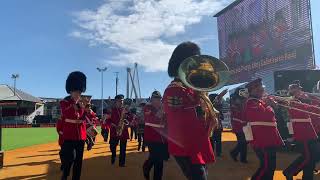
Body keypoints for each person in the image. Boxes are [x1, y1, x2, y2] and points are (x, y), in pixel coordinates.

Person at [163, 41, 215, 180]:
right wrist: (200, 107)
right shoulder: (174, 89)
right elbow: (177, 120)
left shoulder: (191, 89)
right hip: (185, 145)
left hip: (197, 142)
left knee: (203, 174)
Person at [243, 78, 284, 180]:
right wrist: (268, 104)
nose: (261, 90)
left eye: (261, 88)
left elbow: (273, 117)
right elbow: (261, 116)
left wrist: (272, 105)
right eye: (258, 88)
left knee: (270, 167)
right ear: (252, 91)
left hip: (270, 138)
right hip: (262, 139)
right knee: (266, 167)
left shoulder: (261, 102)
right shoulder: (251, 102)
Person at [283, 81, 318, 180]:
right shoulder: (293, 101)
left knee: (312, 156)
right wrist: (307, 100)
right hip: (305, 131)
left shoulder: (304, 99)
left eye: (299, 89)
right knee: (308, 156)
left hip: (311, 130)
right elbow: (310, 109)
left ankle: (306, 177)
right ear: (292, 91)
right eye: (297, 90)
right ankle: (290, 171)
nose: (300, 91)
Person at [59, 71, 87, 180]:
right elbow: (67, 114)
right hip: (69, 134)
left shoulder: (83, 102)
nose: (78, 94)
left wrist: (85, 109)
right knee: (69, 159)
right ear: (70, 91)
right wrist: (75, 105)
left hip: (81, 135)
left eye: (79, 91)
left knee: (78, 161)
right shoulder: (64, 102)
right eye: (76, 91)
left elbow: (84, 118)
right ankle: (65, 174)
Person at [143, 91, 169, 180]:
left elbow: (167, 123)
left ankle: (147, 166)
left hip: (162, 139)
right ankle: (147, 167)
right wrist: (161, 110)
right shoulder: (147, 107)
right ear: (152, 99)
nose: (157, 101)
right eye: (155, 99)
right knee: (158, 160)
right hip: (151, 139)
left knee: (158, 160)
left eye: (159, 99)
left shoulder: (163, 108)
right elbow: (149, 121)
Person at [109, 94, 129, 167]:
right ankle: (113, 155)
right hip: (114, 131)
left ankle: (122, 163)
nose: (121, 102)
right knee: (113, 146)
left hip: (123, 131)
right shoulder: (111, 110)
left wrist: (127, 122)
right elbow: (108, 121)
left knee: (123, 148)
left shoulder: (125, 110)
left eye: (122, 101)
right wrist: (115, 125)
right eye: (119, 101)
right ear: (115, 102)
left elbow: (129, 118)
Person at [229, 88, 248, 163]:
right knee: (243, 141)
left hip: (243, 123)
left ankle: (239, 156)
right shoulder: (235, 100)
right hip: (238, 123)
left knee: (244, 141)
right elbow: (239, 111)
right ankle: (236, 154)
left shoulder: (242, 99)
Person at [209, 90, 227, 157]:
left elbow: (222, 117)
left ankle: (213, 153)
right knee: (216, 141)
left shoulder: (214, 106)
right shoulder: (212, 106)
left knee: (213, 141)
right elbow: (222, 117)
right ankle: (216, 153)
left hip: (215, 127)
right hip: (215, 126)